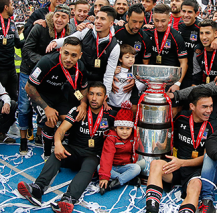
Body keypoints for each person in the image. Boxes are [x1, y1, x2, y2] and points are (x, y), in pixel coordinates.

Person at [17, 82, 116, 213]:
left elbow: (125, 131)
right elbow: (61, 131)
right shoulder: (77, 111)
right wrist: (57, 144)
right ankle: (37, 188)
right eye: (91, 94)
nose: (94, 98)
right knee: (58, 153)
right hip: (74, 151)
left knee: (91, 164)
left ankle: (68, 199)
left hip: (92, 155)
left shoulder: (111, 115)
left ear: (105, 98)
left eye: (98, 95)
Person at [146, 87, 215, 213]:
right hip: (176, 167)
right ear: (192, 106)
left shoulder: (214, 126)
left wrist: (181, 162)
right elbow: (171, 138)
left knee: (195, 187)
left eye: (211, 106)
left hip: (195, 171)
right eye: (204, 107)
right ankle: (151, 209)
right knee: (155, 164)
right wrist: (160, 145)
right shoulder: (181, 117)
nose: (209, 110)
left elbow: (207, 159)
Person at [20, 4, 72, 151]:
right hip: (30, 70)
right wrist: (45, 63)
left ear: (69, 19)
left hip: (52, 75)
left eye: (64, 17)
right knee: (24, 106)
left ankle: (40, 135)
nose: (60, 20)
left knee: (45, 104)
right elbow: (26, 49)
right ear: (52, 16)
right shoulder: (40, 27)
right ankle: (23, 140)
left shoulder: (70, 31)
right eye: (57, 16)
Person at [25, 36, 88, 157]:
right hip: (40, 95)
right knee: (51, 120)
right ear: (60, 50)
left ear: (80, 55)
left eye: (74, 55)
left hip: (58, 94)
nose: (68, 59)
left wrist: (83, 104)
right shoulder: (46, 62)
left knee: (70, 118)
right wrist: (46, 108)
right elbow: (29, 87)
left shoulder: (80, 67)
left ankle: (64, 143)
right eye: (66, 53)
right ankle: (47, 155)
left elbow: (83, 88)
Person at [47, 6, 120, 100]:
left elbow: (109, 74)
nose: (97, 21)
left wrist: (106, 94)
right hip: (79, 78)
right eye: (97, 18)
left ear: (111, 23)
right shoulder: (86, 31)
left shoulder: (114, 46)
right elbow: (70, 39)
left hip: (97, 83)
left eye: (102, 19)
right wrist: (55, 43)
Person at [98, 102, 141, 195]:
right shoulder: (111, 137)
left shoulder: (133, 137)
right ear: (116, 128)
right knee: (99, 167)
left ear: (131, 128)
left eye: (128, 128)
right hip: (112, 166)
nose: (125, 132)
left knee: (137, 168)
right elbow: (107, 156)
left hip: (125, 166)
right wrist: (104, 177)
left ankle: (114, 183)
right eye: (121, 128)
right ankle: (127, 180)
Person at [143, 4, 187, 93]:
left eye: (163, 21)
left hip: (170, 80)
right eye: (156, 20)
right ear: (152, 19)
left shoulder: (176, 36)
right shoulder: (147, 32)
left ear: (169, 18)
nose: (159, 24)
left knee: (171, 106)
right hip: (151, 79)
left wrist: (178, 83)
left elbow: (184, 62)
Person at [0, 0, 24, 102]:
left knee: (14, 97)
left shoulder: (12, 24)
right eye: (12, 5)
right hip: (0, 69)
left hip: (11, 68)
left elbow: (18, 44)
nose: (13, 7)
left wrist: (31, 39)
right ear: (6, 7)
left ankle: (12, 118)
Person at [108, 44, 146, 111]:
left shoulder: (134, 72)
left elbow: (141, 87)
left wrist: (140, 78)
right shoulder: (113, 69)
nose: (131, 59)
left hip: (125, 107)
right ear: (120, 59)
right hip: (109, 104)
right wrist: (111, 73)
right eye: (127, 57)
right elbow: (103, 81)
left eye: (133, 57)